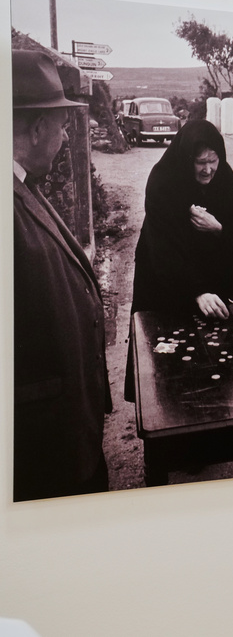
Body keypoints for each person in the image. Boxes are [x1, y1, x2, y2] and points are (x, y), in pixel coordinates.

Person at [12, 49, 111, 501]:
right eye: (61, 124)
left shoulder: (23, 187)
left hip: (64, 439)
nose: (68, 135)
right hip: (43, 456)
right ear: (36, 129)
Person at [125, 120, 233, 399]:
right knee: (167, 373)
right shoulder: (163, 180)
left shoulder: (224, 178)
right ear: (186, 159)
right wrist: (196, 290)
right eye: (200, 162)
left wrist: (219, 229)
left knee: (213, 369)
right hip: (165, 286)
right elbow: (163, 249)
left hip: (210, 291)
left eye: (213, 160)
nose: (208, 169)